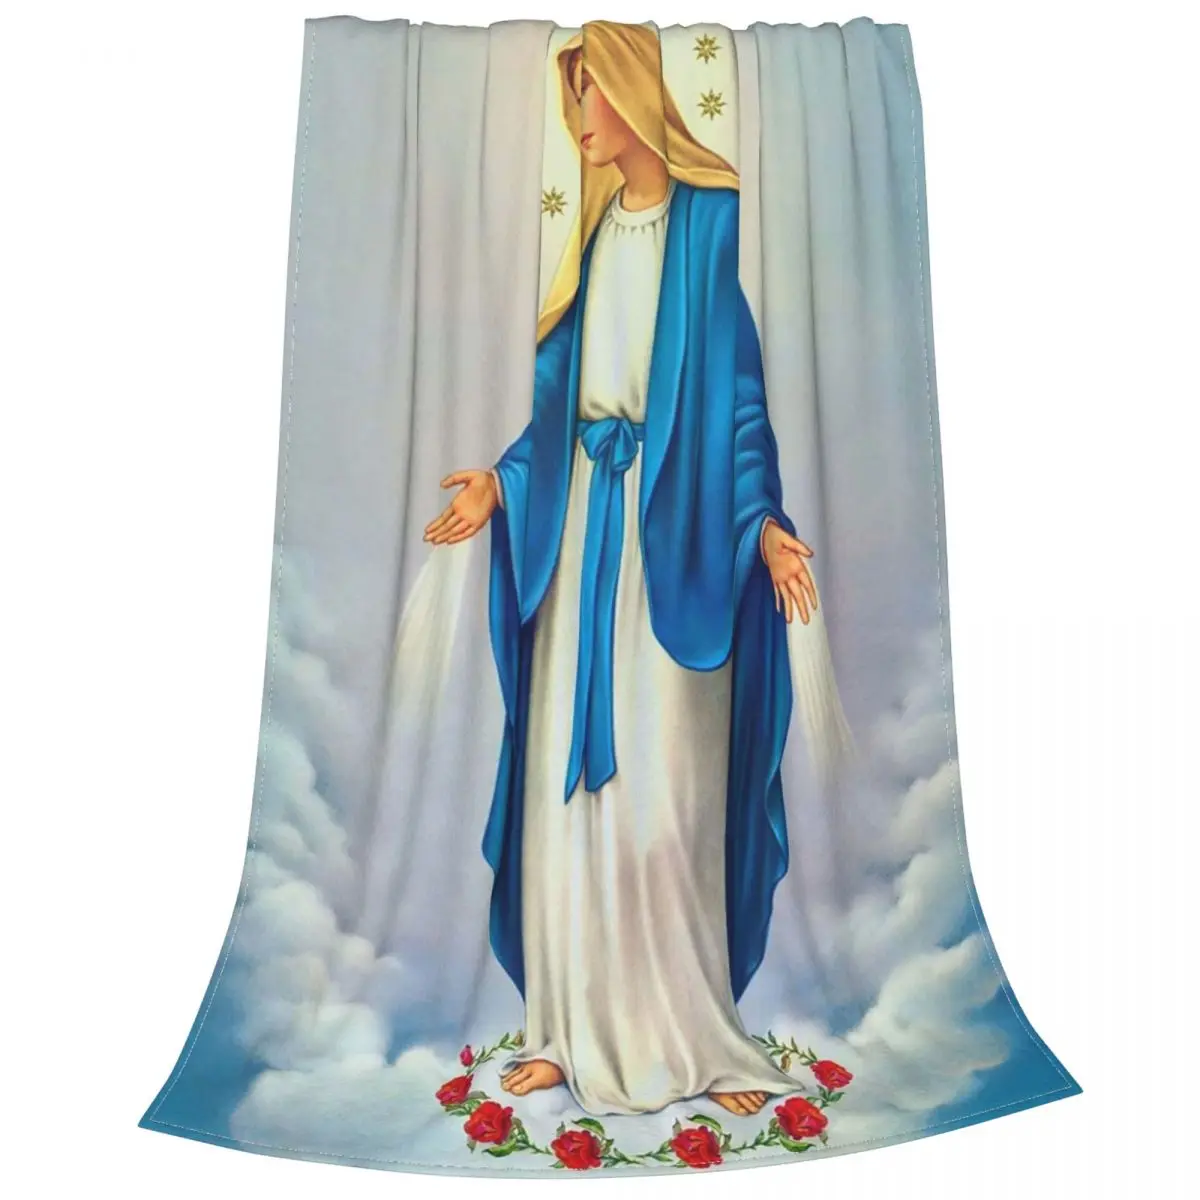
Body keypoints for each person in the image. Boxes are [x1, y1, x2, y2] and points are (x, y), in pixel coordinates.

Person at [423, 22, 817, 1118]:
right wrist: (502, 484)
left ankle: (690, 1040)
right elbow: (559, 412)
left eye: (592, 90)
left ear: (637, 95)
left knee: (664, 797)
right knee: (567, 800)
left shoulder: (706, 225)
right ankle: (566, 1030)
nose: (579, 115)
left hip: (673, 539)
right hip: (582, 543)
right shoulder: (591, 239)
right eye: (572, 93)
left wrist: (763, 524)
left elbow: (738, 401)